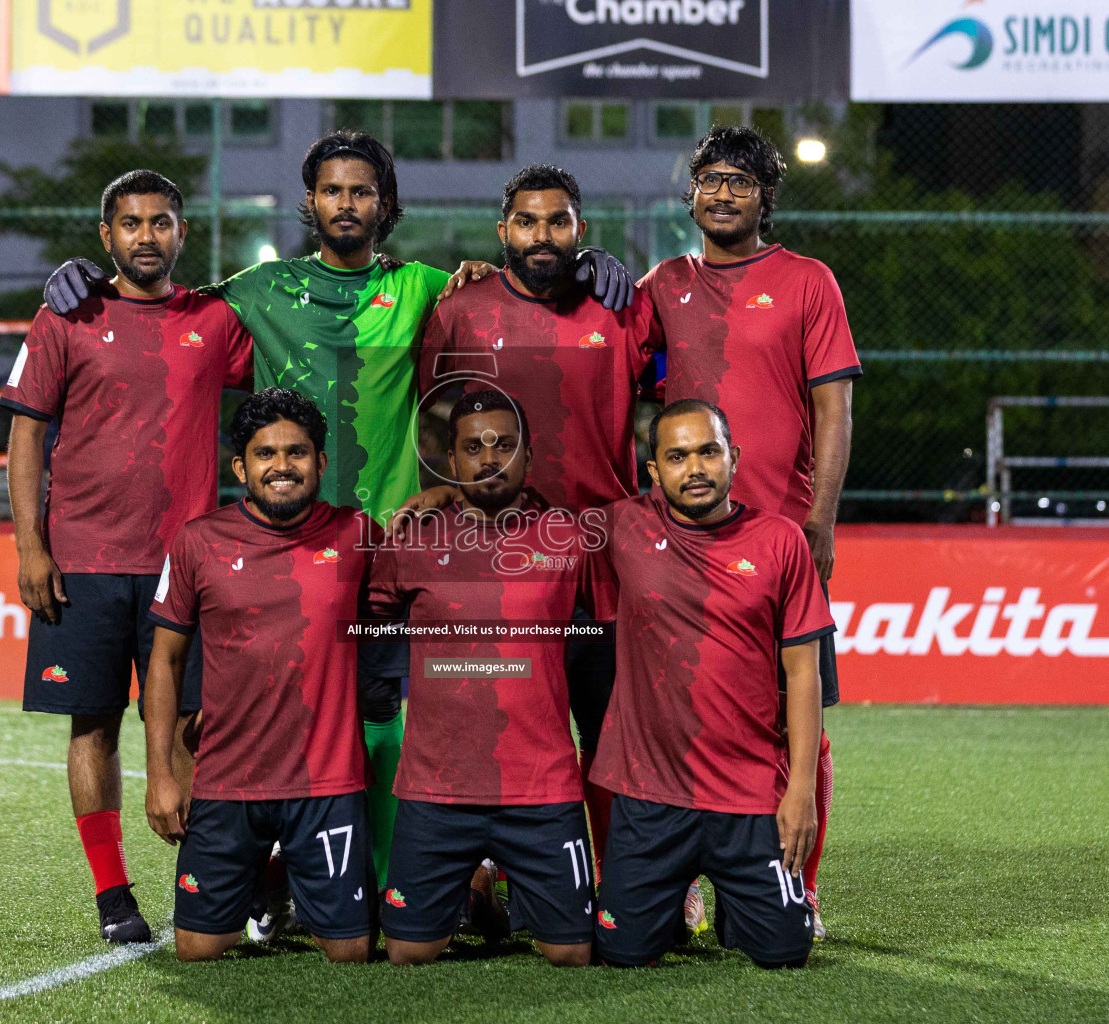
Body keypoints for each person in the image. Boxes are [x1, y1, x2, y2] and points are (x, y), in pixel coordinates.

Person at [41, 133, 635, 896]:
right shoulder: (259, 288)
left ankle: (391, 882)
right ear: (311, 201)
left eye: (361, 192)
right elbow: (162, 311)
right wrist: (88, 279)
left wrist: (590, 263)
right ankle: (253, 883)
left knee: (387, 714)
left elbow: (514, 293)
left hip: (386, 549)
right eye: (331, 190)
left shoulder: (430, 288)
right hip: (280, 549)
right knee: (256, 714)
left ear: (384, 205)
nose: (346, 204)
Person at [0, 170, 253, 944]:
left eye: (163, 222)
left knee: (193, 727)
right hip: (83, 558)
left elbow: (286, 350)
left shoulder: (216, 320)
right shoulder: (65, 314)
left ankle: (200, 887)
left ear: (183, 233)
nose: (148, 236)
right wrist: (31, 546)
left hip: (188, 563)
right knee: (94, 726)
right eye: (132, 224)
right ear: (106, 235)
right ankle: (114, 897)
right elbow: (26, 437)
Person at [404, 164, 658, 896]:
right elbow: (436, 421)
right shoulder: (460, 309)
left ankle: (626, 885)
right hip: (495, 564)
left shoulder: (620, 307)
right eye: (527, 221)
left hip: (602, 561)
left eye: (558, 221)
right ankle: (498, 882)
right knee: (499, 728)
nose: (542, 236)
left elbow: (672, 388)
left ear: (581, 228)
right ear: (502, 231)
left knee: (611, 734)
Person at [638, 126, 861, 937]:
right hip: (679, 544)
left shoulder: (807, 282)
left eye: (739, 180)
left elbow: (835, 408)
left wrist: (821, 521)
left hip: (777, 539)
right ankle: (685, 879)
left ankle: (792, 880)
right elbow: (613, 374)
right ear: (690, 193)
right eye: (709, 178)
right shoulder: (664, 284)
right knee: (674, 713)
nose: (722, 192)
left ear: (767, 196)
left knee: (792, 717)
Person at [589, 400, 832, 969]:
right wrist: (445, 496)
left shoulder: (781, 540)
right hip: (651, 797)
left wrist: (799, 791)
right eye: (676, 456)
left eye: (708, 451)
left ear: (734, 458)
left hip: (747, 794)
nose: (694, 468)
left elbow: (803, 672)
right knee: (622, 953)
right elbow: (521, 524)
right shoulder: (621, 527)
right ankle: (670, 899)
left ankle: (736, 906)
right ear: (654, 472)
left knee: (783, 951)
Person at [143, 388, 379, 963]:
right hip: (227, 783)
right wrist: (161, 776)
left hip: (327, 783)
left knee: (350, 954)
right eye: (265, 453)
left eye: (296, 452)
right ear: (240, 467)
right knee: (198, 951)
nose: (281, 466)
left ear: (321, 463)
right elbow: (164, 661)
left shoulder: (359, 535)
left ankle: (278, 876)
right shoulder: (197, 541)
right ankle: (268, 876)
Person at [368, 390, 599, 968]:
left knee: (571, 954)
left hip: (541, 788)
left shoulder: (570, 539)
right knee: (407, 953)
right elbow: (362, 630)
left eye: (504, 445)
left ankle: (491, 884)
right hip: (436, 789)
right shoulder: (412, 537)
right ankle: (480, 892)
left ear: (528, 454)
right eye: (472, 447)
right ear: (450, 459)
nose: (489, 458)